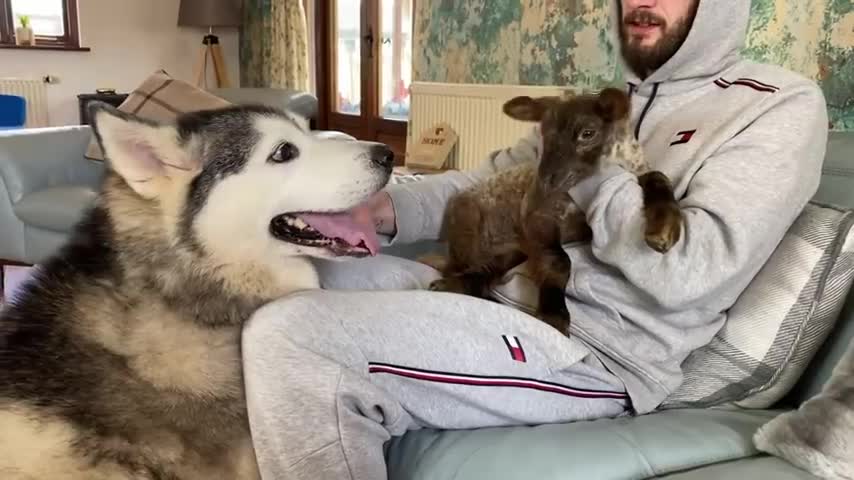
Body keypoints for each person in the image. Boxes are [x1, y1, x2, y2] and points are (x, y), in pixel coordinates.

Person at [241, 0, 829, 478]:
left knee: (294, 336)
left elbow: (692, 272)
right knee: (286, 280)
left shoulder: (777, 106)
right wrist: (383, 209)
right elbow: (486, 182)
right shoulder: (597, 102)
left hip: (592, 350)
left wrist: (587, 167)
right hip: (488, 294)